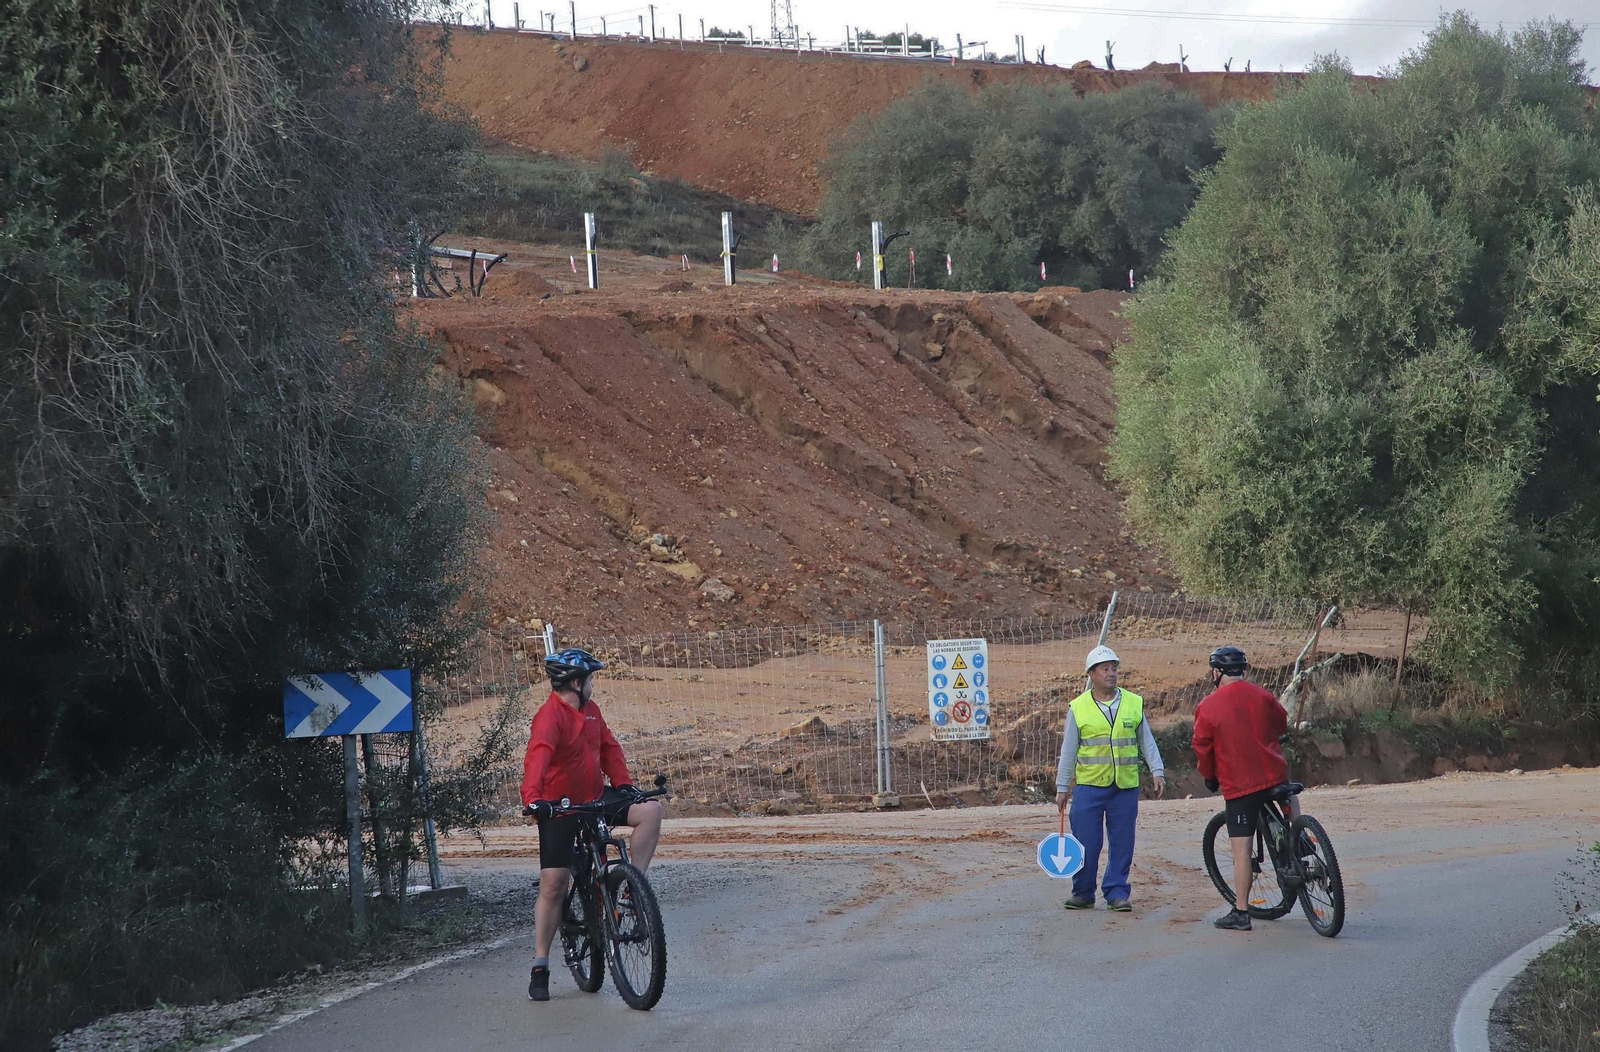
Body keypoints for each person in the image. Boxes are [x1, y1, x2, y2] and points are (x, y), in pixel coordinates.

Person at [521, 647, 664, 1001]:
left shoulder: (591, 712)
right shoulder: (550, 716)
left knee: (650, 810)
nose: (592, 685)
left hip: (595, 797)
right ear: (575, 682)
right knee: (554, 886)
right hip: (560, 806)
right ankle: (540, 965)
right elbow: (537, 755)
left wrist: (624, 781)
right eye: (589, 679)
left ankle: (633, 887)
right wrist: (533, 798)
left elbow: (610, 748)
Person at [1192, 645, 1300, 933]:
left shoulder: (1208, 706)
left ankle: (1241, 912)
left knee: (1242, 852)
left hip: (1241, 786)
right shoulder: (1262, 695)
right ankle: (1298, 834)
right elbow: (1280, 722)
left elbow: (1203, 747)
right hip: (1273, 775)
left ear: (1216, 672)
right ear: (1244, 670)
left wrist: (1209, 775)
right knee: (1287, 788)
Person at [1055, 645, 1166, 912]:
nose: (1111, 673)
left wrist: (1157, 770)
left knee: (1122, 842)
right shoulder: (1079, 708)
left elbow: (1146, 742)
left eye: (1114, 668)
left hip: (1124, 787)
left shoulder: (1133, 703)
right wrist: (1062, 787)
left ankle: (1117, 892)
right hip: (1089, 788)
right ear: (1091, 674)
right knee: (1087, 843)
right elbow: (1068, 750)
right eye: (1105, 668)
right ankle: (1083, 893)